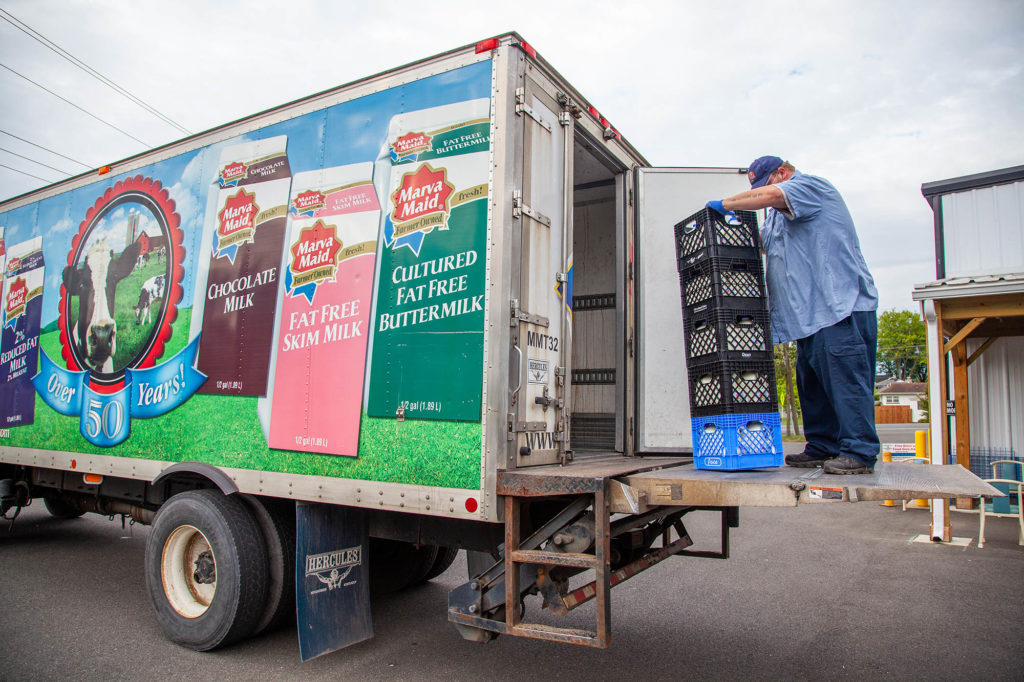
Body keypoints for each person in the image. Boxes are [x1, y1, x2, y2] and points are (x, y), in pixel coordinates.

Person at [706, 156, 879, 474]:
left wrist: (727, 204)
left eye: (766, 184)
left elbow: (773, 196)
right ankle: (822, 446)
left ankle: (859, 451)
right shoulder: (774, 220)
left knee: (846, 383)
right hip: (808, 320)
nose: (764, 194)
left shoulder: (811, 187)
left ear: (782, 173)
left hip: (840, 308)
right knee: (812, 387)